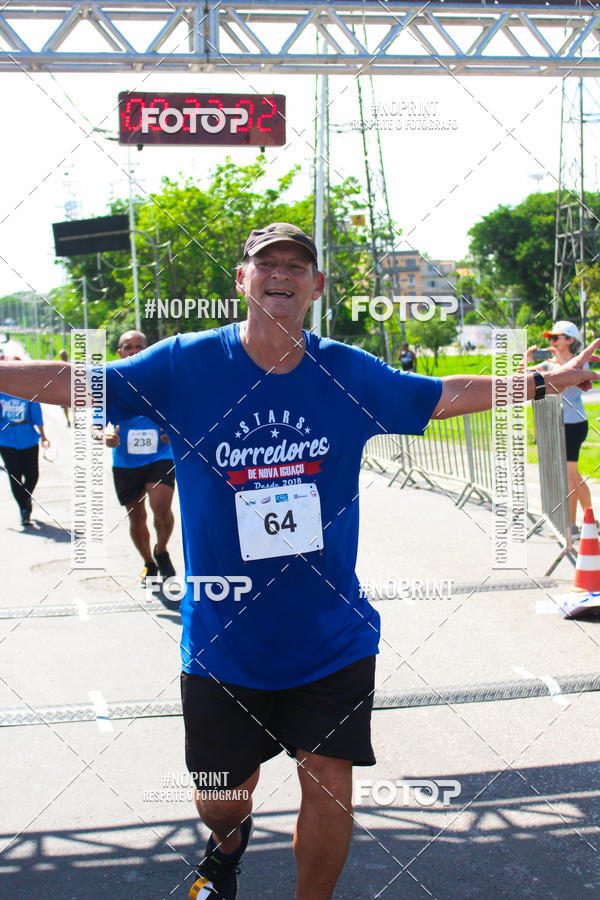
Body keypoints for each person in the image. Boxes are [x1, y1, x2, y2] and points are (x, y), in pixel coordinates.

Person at [0, 222, 598, 900]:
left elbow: (439, 395)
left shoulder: (346, 372)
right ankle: (226, 847)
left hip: (332, 636)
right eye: (266, 263)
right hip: (225, 642)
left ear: (316, 286)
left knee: (331, 780)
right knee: (223, 798)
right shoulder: (184, 365)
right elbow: (77, 381)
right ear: (242, 280)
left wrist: (541, 384)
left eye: (297, 265)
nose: (280, 273)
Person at [96, 330, 177, 586]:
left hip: (160, 456)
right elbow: (95, 426)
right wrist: (105, 438)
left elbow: (181, 415)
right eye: (128, 347)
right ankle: (148, 563)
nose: (133, 351)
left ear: (147, 349)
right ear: (120, 353)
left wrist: (172, 433)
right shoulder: (111, 385)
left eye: (139, 346)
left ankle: (161, 550)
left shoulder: (162, 381)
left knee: (162, 508)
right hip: (126, 463)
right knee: (136, 517)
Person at [527, 320, 592, 539]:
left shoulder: (579, 363)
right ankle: (583, 521)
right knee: (570, 476)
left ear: (570, 340)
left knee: (570, 475)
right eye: (549, 338)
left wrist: (557, 362)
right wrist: (527, 359)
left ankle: (576, 524)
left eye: (556, 338)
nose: (551, 341)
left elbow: (575, 378)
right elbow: (520, 378)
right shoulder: (548, 365)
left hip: (574, 424)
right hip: (557, 424)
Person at [0, 347, 50, 527]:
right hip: (6, 439)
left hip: (28, 437)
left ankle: (26, 497)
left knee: (32, 474)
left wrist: (44, 436)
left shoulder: (29, 391)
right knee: (14, 475)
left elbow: (37, 415)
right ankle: (24, 509)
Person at [58, 348, 71, 427]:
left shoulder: (71, 364)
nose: (64, 357)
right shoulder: (58, 366)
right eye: (62, 356)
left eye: (65, 355)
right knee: (64, 406)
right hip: (63, 389)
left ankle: (75, 419)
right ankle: (68, 420)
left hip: (72, 387)